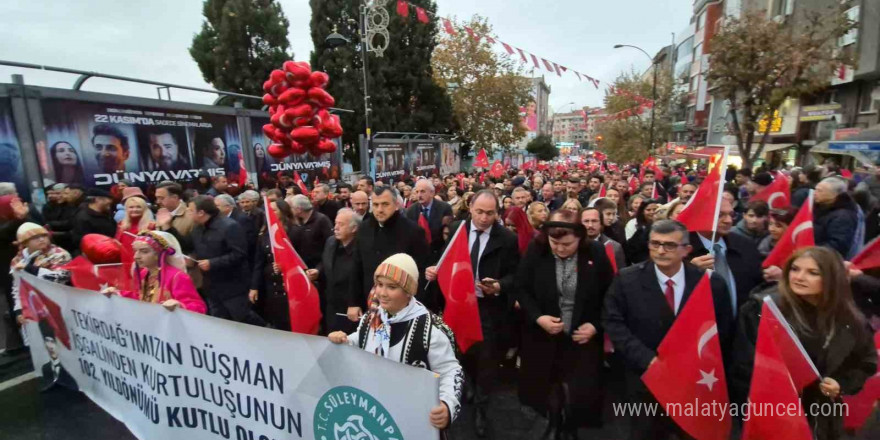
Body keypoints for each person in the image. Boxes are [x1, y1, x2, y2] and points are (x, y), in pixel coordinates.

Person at [604, 220, 733, 440]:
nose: (661, 250)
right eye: (655, 244)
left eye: (670, 245)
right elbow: (613, 323)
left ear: (687, 249)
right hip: (645, 379)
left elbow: (723, 330)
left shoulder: (711, 284)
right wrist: (647, 359)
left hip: (695, 381)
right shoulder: (627, 280)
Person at [730, 247, 877, 439]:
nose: (799, 277)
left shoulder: (849, 318)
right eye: (794, 269)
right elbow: (743, 367)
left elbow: (865, 361)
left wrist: (841, 383)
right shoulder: (762, 309)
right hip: (775, 413)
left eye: (812, 273)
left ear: (832, 278)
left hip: (824, 419)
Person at [328, 254, 463, 431]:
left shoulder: (430, 329)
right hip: (375, 413)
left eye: (391, 287)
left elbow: (451, 371)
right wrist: (344, 341)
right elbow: (360, 340)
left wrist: (447, 405)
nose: (382, 293)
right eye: (379, 285)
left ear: (408, 291)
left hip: (413, 419)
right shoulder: (372, 317)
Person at [425, 190, 520, 438]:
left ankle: (481, 406)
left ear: (497, 213)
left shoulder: (507, 239)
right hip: (457, 304)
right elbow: (446, 260)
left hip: (488, 308)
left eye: (490, 213)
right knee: (458, 352)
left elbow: (516, 276)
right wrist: (436, 272)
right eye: (479, 212)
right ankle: (464, 386)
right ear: (471, 208)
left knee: (487, 360)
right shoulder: (458, 229)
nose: (484, 218)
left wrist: (499, 285)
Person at [517, 209, 614, 438]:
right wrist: (539, 317)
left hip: (581, 335)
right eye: (555, 243)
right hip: (544, 334)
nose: (560, 249)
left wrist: (596, 325)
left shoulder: (596, 253)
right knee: (548, 383)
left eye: (567, 245)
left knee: (578, 389)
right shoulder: (537, 249)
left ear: (580, 239)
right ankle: (553, 422)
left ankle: (571, 427)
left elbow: (611, 294)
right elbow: (521, 288)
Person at [349, 186, 430, 315]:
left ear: (396, 205)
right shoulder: (364, 229)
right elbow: (357, 267)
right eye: (375, 205)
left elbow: (420, 273)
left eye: (385, 204)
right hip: (370, 304)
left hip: (402, 307)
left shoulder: (413, 231)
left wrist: (413, 307)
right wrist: (353, 303)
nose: (379, 210)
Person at [188, 196, 265, 326]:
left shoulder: (229, 226)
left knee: (244, 318)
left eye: (190, 210)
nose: (188, 213)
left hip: (233, 285)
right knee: (220, 323)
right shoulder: (197, 229)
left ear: (201, 212)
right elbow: (188, 246)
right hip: (211, 286)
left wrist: (213, 263)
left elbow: (239, 254)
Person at [687, 199, 764, 317]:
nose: (728, 221)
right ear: (701, 215)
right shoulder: (681, 249)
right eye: (720, 215)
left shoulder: (745, 245)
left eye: (731, 215)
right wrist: (688, 271)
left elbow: (758, 285)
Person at [102, 231, 206, 313]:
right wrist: (117, 293)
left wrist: (179, 305)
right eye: (135, 251)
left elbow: (199, 308)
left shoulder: (177, 276)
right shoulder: (144, 273)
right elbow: (142, 298)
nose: (136, 256)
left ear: (159, 254)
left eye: (144, 251)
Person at [249, 199, 296, 330]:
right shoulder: (264, 234)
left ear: (283, 212)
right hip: (270, 285)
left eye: (274, 210)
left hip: (288, 285)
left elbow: (302, 260)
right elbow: (258, 262)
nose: (270, 213)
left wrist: (285, 265)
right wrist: (254, 287)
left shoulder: (294, 231)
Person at [317, 208, 362, 334]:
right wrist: (317, 271)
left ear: (354, 228)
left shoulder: (362, 247)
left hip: (351, 308)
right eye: (335, 223)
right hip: (331, 305)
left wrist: (355, 303)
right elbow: (324, 262)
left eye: (341, 224)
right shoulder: (331, 242)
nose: (335, 228)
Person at [405, 179, 453, 265]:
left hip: (438, 256)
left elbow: (447, 236)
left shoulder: (445, 208)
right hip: (419, 258)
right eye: (417, 192)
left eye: (423, 191)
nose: (419, 195)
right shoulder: (411, 210)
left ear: (432, 193)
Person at [813, 176, 859, 258]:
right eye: (815, 189)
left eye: (820, 191)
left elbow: (837, 245)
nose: (815, 193)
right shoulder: (820, 207)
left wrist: (811, 250)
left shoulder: (843, 216)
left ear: (834, 194)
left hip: (824, 259)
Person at [288, 194, 333, 269]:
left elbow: (331, 243)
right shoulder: (297, 222)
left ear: (299, 209)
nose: (290, 210)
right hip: (304, 266)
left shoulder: (321, 220)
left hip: (319, 267)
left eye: (291, 208)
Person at [70, 188, 117, 254]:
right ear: (98, 199)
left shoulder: (106, 214)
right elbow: (81, 240)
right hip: (94, 254)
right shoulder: (83, 217)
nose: (111, 202)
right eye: (108, 199)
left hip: (108, 251)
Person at [37, 319, 78, 391]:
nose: (50, 346)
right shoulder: (46, 369)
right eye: (47, 342)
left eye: (52, 342)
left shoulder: (71, 367)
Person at [624, 198, 661, 264]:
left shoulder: (663, 224)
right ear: (642, 211)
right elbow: (631, 247)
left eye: (654, 209)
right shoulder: (633, 224)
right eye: (648, 210)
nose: (652, 212)